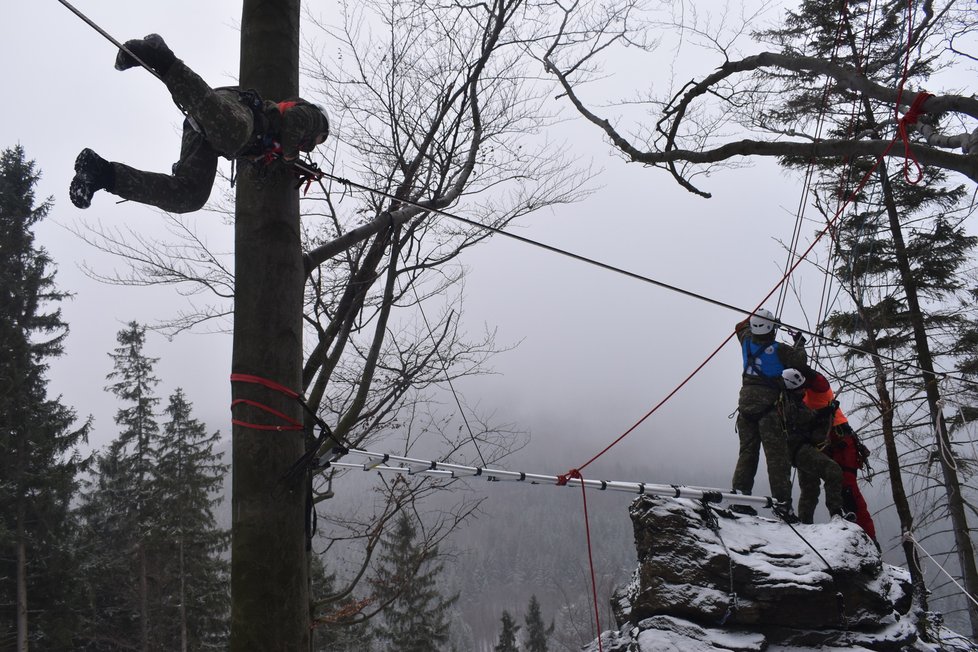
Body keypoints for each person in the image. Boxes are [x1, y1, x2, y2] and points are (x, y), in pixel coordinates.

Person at [69, 34, 330, 214]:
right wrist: (290, 155)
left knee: (190, 197)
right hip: (237, 113)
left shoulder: (275, 146)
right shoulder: (312, 117)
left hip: (210, 133)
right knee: (235, 133)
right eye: (318, 141)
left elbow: (260, 170)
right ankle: (160, 57)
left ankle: (103, 173)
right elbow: (294, 122)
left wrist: (275, 164)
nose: (315, 145)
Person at [731, 309, 810, 520]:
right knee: (777, 458)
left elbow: (740, 326)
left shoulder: (746, 340)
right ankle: (782, 504)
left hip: (745, 406)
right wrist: (800, 342)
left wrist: (755, 318)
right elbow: (800, 361)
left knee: (747, 452)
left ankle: (740, 497)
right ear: (772, 328)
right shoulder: (780, 349)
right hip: (769, 409)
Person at [801, 371, 877, 542]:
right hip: (821, 441)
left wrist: (798, 361)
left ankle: (868, 540)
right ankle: (807, 529)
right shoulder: (795, 394)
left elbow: (819, 381)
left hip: (839, 438)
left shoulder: (818, 386)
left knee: (847, 489)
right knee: (810, 486)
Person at [778, 368, 846, 522]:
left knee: (810, 489)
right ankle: (837, 513)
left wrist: (826, 412)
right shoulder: (785, 402)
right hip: (798, 448)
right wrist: (826, 411)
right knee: (832, 470)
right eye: (799, 388)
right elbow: (803, 417)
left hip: (800, 448)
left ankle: (805, 522)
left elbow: (807, 418)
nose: (803, 391)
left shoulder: (794, 399)